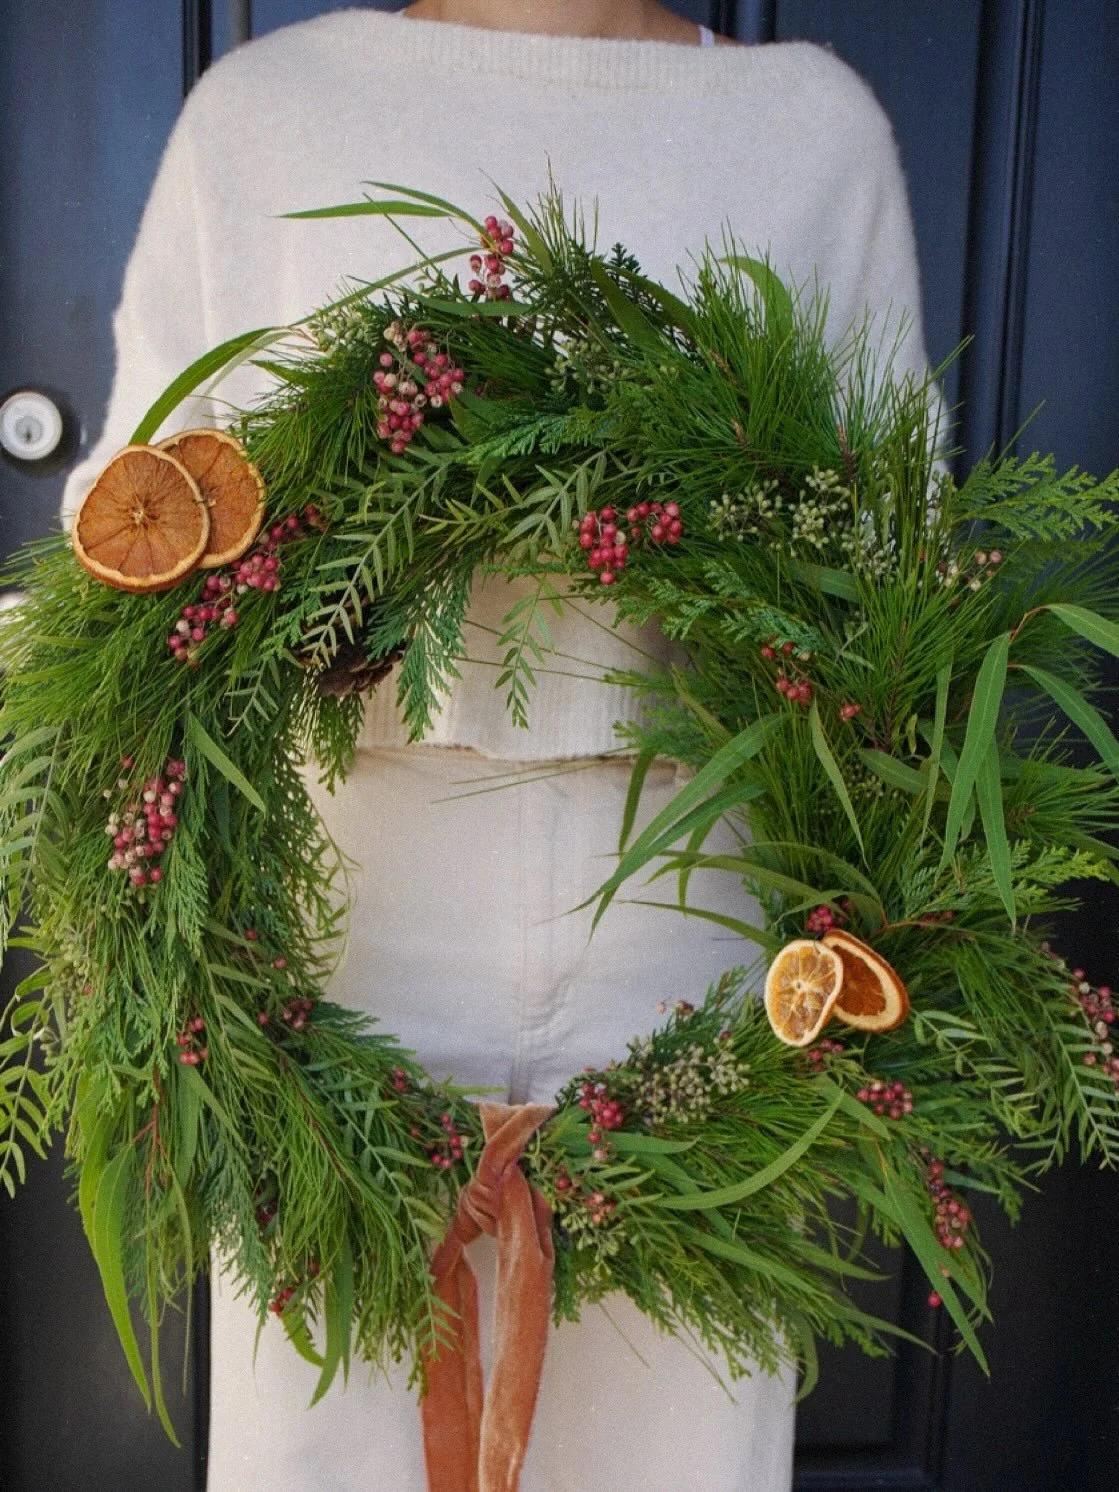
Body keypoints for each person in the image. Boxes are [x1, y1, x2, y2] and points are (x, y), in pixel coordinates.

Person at [61, 3, 929, 1487]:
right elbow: (135, 546)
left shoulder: (809, 129)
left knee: (681, 1440)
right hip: (339, 942)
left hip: (696, 936)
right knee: (326, 1442)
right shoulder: (265, 114)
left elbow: (890, 586)